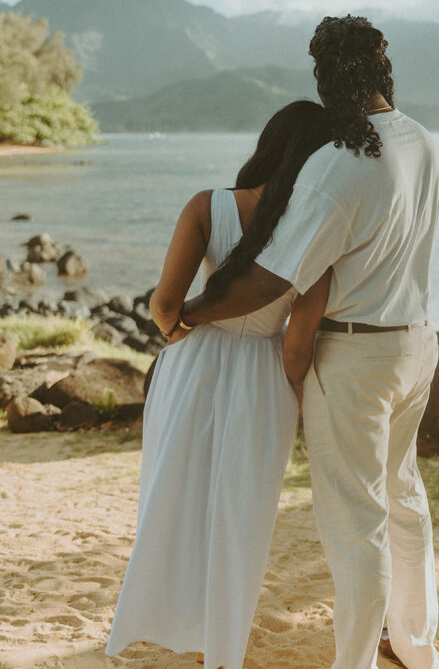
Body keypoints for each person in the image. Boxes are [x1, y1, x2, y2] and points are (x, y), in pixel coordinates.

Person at [178, 15, 439, 669]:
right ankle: (414, 645)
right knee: (402, 500)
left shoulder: (339, 162)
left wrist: (187, 312)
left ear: (326, 78)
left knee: (357, 527)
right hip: (415, 342)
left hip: (355, 357)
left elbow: (270, 281)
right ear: (383, 70)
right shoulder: (422, 142)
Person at [105, 100, 334, 669]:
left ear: (267, 145)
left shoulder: (208, 206)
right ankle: (222, 638)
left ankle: (156, 615)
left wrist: (177, 326)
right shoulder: (317, 228)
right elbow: (298, 344)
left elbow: (162, 304)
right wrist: (296, 397)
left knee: (171, 493)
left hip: (193, 360)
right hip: (263, 374)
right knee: (243, 512)